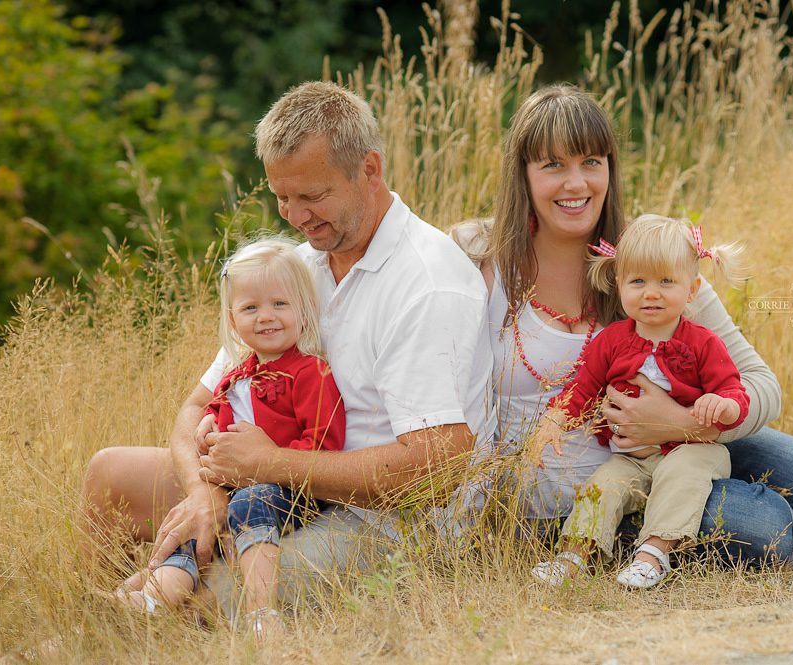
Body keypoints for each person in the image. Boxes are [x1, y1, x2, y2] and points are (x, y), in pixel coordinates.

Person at [80, 81, 495, 618]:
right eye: (283, 197)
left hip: (380, 520)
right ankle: (97, 619)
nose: (296, 216)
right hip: (270, 486)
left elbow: (438, 466)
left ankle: (142, 613)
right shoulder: (296, 269)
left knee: (209, 599)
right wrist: (204, 491)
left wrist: (271, 464)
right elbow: (195, 406)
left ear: (369, 170)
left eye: (313, 197)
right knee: (108, 475)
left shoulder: (428, 282)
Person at [453, 84, 793, 570]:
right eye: (553, 165)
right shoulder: (478, 256)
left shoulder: (651, 256)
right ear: (522, 173)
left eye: (591, 162)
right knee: (766, 529)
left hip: (695, 439)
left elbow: (761, 385)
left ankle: (776, 495)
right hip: (613, 481)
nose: (576, 183)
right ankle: (776, 522)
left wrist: (683, 423)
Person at [114, 236, 345, 637]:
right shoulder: (237, 373)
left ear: (304, 309)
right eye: (250, 308)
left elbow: (324, 446)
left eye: (279, 304)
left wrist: (268, 462)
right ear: (233, 319)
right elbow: (216, 410)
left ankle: (261, 613)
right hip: (233, 487)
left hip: (291, 492)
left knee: (250, 502)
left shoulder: (311, 373)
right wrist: (207, 424)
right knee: (194, 524)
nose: (265, 317)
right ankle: (151, 599)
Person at [527, 215, 748, 588]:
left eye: (666, 282)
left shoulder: (704, 342)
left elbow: (733, 390)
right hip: (630, 457)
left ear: (692, 289)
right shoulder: (611, 341)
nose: (651, 293)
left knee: (682, 478)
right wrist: (555, 419)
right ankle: (574, 557)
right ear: (619, 285)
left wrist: (723, 406)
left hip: (691, 450)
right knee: (602, 486)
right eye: (638, 282)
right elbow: (583, 387)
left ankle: (652, 556)